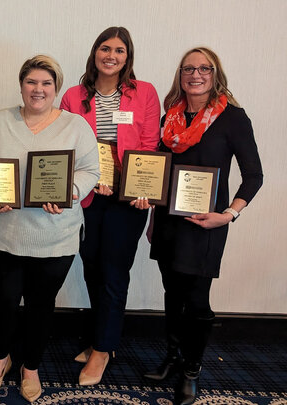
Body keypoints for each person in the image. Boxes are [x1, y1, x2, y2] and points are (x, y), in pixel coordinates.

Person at [0, 55, 99, 402]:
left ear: (56, 88)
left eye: (46, 83)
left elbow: (90, 170)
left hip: (55, 238)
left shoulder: (76, 126)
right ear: (21, 85)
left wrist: (70, 192)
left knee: (41, 306)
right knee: (2, 302)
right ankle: (0, 359)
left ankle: (31, 367)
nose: (38, 90)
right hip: (3, 234)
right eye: (31, 82)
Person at [147, 47, 262, 405]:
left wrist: (229, 214)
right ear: (180, 75)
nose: (195, 75)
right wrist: (152, 217)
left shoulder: (233, 118)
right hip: (169, 221)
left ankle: (192, 370)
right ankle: (174, 356)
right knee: (172, 293)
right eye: (188, 69)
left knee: (197, 300)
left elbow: (254, 175)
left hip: (205, 225)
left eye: (203, 69)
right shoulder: (171, 117)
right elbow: (159, 173)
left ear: (215, 74)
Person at [59, 26, 160, 385]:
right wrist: (88, 179)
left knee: (114, 273)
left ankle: (103, 349)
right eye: (105, 48)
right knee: (92, 269)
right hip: (87, 197)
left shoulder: (144, 92)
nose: (111, 56)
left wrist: (138, 184)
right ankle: (101, 337)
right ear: (95, 52)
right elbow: (66, 145)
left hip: (128, 199)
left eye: (119, 50)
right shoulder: (73, 95)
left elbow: (149, 143)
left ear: (127, 57)